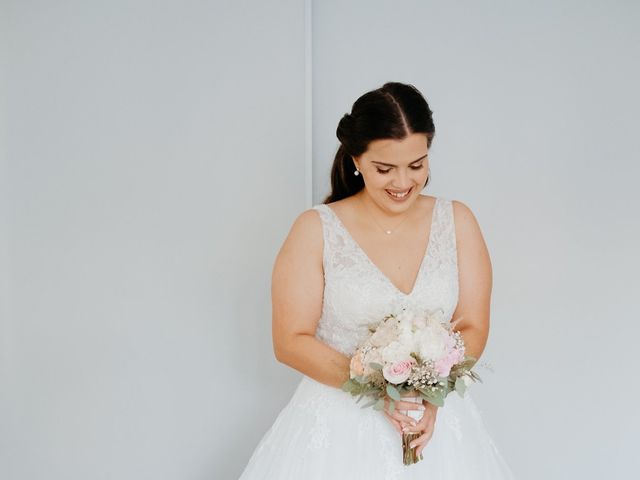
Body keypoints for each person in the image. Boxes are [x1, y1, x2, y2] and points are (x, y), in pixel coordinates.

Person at [238, 82, 516, 478]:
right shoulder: (316, 229)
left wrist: (431, 395)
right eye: (384, 169)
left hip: (433, 425)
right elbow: (290, 340)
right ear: (356, 159)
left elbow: (473, 324)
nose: (402, 182)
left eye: (417, 165)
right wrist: (378, 388)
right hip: (337, 429)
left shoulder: (457, 221)